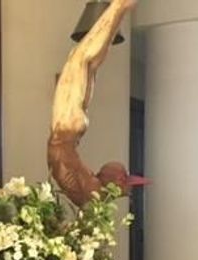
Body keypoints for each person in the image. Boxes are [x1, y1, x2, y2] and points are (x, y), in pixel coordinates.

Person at [48, 0, 148, 207]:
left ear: (117, 182)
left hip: (63, 136)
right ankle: (119, 8)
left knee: (81, 59)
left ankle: (119, 7)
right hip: (67, 136)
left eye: (128, 185)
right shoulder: (94, 191)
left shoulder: (93, 193)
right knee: (87, 63)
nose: (130, 189)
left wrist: (118, 10)